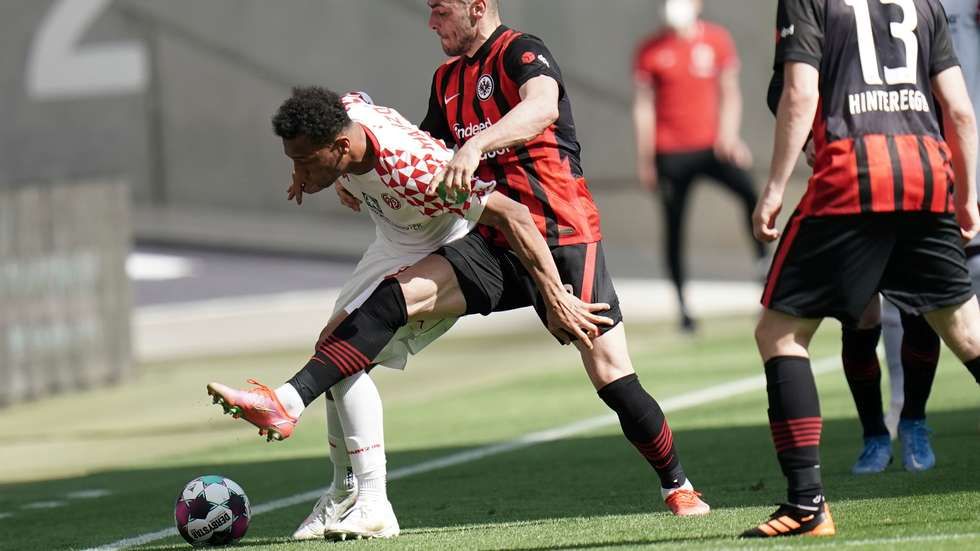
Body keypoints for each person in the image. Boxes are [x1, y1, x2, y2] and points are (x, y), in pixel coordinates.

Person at [211, 0, 712, 523]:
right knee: (390, 301)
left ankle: (677, 484)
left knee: (610, 374)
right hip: (491, 238)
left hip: (561, 233)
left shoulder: (521, 51)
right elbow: (422, 148)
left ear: (477, 7)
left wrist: (476, 149)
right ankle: (297, 415)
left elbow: (542, 108)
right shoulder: (447, 79)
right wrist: (353, 177)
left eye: (441, 11)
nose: (432, 23)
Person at [209, 86, 611, 540]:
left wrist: (555, 296)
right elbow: (353, 99)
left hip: (442, 247)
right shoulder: (343, 120)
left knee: (350, 346)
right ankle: (343, 492)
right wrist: (331, 174)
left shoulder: (417, 171)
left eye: (304, 161)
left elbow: (514, 216)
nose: (298, 172)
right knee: (333, 351)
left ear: (340, 147)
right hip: (394, 240)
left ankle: (368, 496)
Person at [745, 0, 980, 538]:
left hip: (852, 177)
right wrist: (967, 196)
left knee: (779, 334)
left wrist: (775, 188)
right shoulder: (925, 3)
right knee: (968, 332)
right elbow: (960, 111)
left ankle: (806, 504)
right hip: (927, 176)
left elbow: (798, 93)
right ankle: (877, 434)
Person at [633, 0, 766, 332]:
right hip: (670, 153)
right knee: (674, 227)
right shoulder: (650, 50)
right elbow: (644, 107)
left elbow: (730, 92)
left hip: (713, 147)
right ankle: (683, 308)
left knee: (752, 194)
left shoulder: (717, 40)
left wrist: (729, 136)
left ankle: (765, 273)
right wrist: (646, 158)